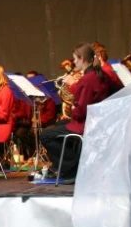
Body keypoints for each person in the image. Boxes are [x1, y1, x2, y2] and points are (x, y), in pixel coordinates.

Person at [39, 43, 112, 182]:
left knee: (45, 135)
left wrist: (73, 107)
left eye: (75, 59)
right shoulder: (97, 74)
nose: (74, 63)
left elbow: (80, 112)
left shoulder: (87, 79)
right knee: (58, 125)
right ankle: (62, 165)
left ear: (83, 59)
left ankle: (73, 166)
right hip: (95, 120)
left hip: (86, 123)